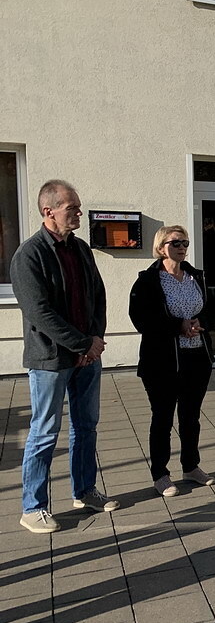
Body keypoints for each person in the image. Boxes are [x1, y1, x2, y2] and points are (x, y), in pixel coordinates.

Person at [10, 179, 118, 533]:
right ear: (49, 211)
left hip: (87, 356)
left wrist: (95, 339)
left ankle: (84, 491)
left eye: (78, 207)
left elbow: (98, 295)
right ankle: (33, 507)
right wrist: (81, 344)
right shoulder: (29, 255)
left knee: (86, 427)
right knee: (44, 432)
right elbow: (39, 312)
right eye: (72, 208)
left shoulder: (81, 249)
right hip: (51, 361)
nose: (79, 214)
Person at [129, 225, 215, 496]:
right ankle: (161, 474)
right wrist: (177, 326)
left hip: (196, 357)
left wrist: (200, 322)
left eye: (185, 243)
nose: (181, 247)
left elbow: (212, 309)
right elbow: (141, 319)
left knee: (191, 417)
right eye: (175, 242)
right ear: (161, 247)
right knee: (163, 418)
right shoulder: (148, 280)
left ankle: (191, 466)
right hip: (162, 361)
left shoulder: (195, 277)